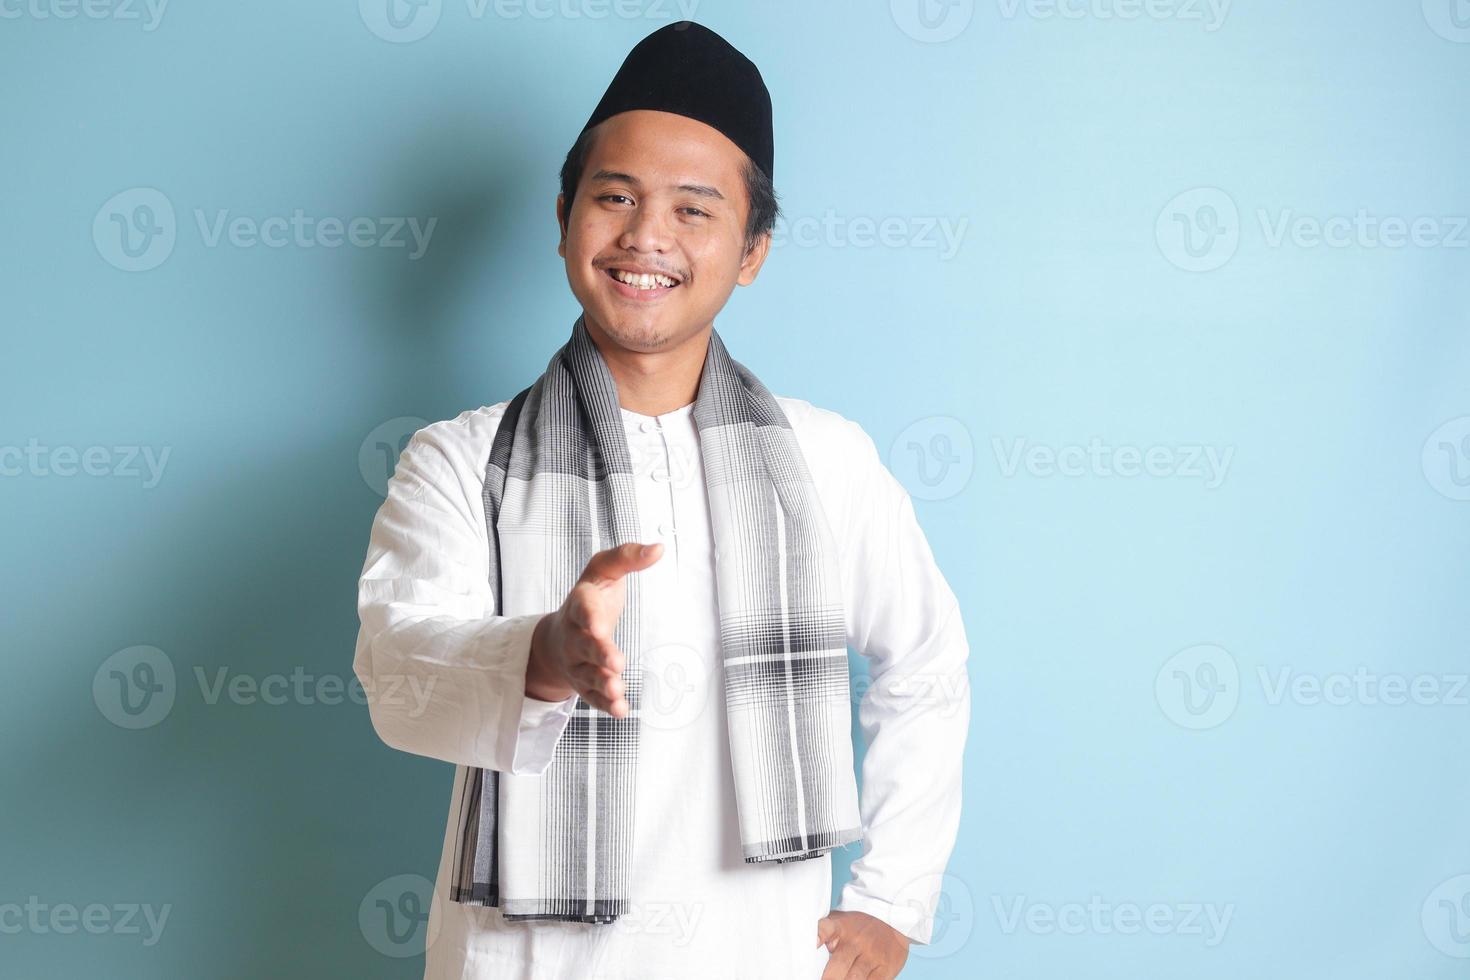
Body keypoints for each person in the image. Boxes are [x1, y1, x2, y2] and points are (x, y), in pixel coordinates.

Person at [352, 20, 970, 980]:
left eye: (694, 209)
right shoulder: (461, 459)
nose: (646, 237)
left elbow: (927, 661)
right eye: (616, 197)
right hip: (522, 964)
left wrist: (892, 899)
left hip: (755, 956)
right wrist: (541, 657)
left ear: (752, 248)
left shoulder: (828, 461)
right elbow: (394, 676)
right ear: (563, 218)